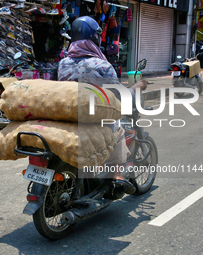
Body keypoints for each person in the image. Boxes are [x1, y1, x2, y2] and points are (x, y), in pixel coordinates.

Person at [58, 16, 147, 195]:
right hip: (94, 117)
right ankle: (117, 175)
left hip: (69, 115)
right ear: (94, 37)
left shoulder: (63, 63)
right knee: (118, 128)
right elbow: (116, 95)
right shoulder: (102, 65)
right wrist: (135, 88)